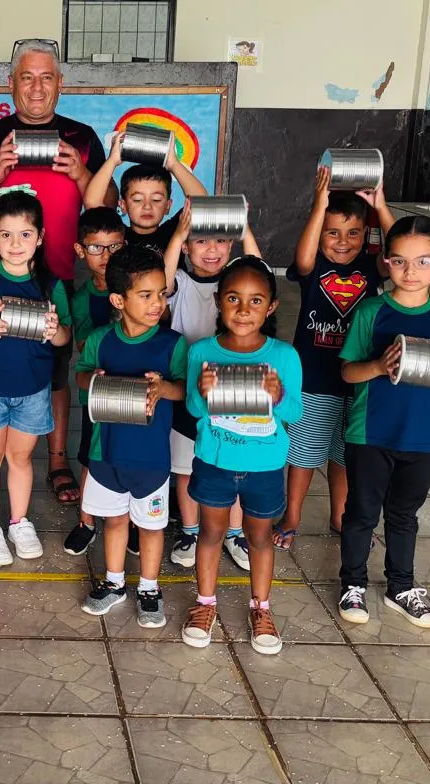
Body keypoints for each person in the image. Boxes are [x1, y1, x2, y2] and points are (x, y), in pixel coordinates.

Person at [0, 39, 115, 507]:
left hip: (56, 275)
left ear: (60, 83)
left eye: (46, 77)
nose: (37, 87)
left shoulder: (81, 137)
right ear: (11, 84)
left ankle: (57, 459)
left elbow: (108, 209)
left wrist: (82, 174)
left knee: (54, 369)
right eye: (27, 77)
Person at [337, 217, 430, 629]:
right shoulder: (372, 311)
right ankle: (353, 583)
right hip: (370, 433)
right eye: (399, 261)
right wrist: (380, 366)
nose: (410, 271)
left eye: (423, 261)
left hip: (423, 437)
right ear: (386, 261)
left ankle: (400, 586)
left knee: (404, 514)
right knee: (361, 512)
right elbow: (348, 372)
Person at [181, 257, 302, 655]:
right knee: (211, 532)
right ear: (219, 301)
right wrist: (201, 390)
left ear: (271, 307)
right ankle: (205, 603)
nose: (244, 310)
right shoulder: (202, 351)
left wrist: (278, 396)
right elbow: (195, 410)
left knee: (259, 537)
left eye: (255, 301)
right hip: (215, 461)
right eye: (234, 299)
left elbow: (294, 413)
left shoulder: (284, 356)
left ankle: (261, 608)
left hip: (264, 466)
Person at [274, 169, 393, 550]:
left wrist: (380, 207)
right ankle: (292, 515)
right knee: (304, 455)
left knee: (344, 455)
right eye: (332, 233)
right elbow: (303, 258)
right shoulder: (316, 269)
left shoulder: (371, 266)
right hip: (314, 378)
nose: (343, 242)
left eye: (353, 233)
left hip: (357, 379)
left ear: (366, 235)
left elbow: (398, 252)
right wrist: (319, 204)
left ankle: (340, 516)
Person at [76, 247, 188, 628]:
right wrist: (92, 380)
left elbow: (185, 390)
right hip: (106, 454)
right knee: (114, 521)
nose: (158, 303)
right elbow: (81, 374)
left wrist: (164, 389)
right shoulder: (100, 340)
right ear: (118, 300)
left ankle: (150, 589)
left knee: (152, 526)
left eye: (161, 294)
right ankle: (114, 583)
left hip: (151, 459)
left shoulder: (172, 344)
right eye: (146, 295)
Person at [0, 192, 72, 566]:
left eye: (25, 234)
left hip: (33, 390)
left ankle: (19, 522)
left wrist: (55, 330)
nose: (15, 243)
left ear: (40, 237)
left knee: (21, 458)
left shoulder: (51, 285)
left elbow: (65, 337)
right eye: (5, 235)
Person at [163, 204, 261, 571]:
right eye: (201, 241)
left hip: (230, 389)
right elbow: (163, 281)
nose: (212, 249)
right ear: (186, 247)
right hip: (187, 390)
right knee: (186, 467)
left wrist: (243, 227)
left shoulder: (235, 283)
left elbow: (259, 271)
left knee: (231, 464)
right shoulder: (180, 284)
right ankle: (190, 531)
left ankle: (234, 533)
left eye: (221, 240)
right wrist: (177, 234)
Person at [61, 207, 123, 556]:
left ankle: (129, 523)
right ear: (80, 250)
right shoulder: (82, 299)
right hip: (97, 396)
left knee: (128, 458)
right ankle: (86, 522)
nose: (105, 255)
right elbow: (86, 347)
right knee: (90, 457)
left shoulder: (138, 289)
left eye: (114, 246)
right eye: (96, 248)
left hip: (135, 392)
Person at [85, 132, 208, 258]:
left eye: (156, 199)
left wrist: (173, 164)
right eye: (137, 200)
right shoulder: (116, 235)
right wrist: (112, 160)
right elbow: (92, 203)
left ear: (168, 206)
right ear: (123, 205)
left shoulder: (176, 231)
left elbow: (203, 204)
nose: (147, 206)